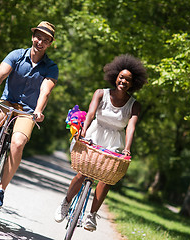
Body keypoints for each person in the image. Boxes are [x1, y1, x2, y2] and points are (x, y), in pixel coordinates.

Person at [0, 21, 58, 209]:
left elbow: (45, 91)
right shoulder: (16, 55)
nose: (40, 42)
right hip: (8, 101)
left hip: (28, 111)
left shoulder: (51, 67)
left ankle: (0, 190)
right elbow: (0, 74)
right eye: (38, 37)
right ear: (33, 37)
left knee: (17, 143)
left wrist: (38, 111)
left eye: (45, 40)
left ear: (50, 43)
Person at [54, 54, 147, 231]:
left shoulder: (134, 105)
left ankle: (91, 215)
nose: (124, 82)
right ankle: (66, 203)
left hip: (114, 141)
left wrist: (127, 149)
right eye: (121, 77)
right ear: (115, 77)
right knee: (82, 173)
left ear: (133, 83)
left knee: (106, 178)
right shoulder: (100, 93)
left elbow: (131, 128)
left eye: (128, 80)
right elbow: (90, 114)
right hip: (94, 134)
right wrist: (82, 130)